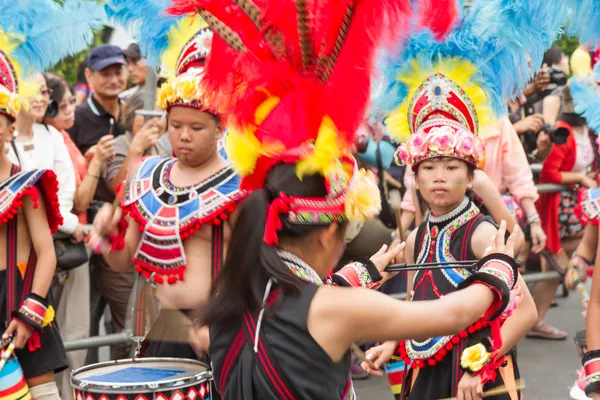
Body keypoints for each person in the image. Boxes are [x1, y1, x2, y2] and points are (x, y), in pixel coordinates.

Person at [166, 1, 522, 399]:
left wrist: (366, 271)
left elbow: (303, 294)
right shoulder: (331, 309)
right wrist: (499, 266)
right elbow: (452, 313)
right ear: (326, 234)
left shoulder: (236, 293)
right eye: (348, 230)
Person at [88, 19, 246, 359]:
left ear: (220, 129)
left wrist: (217, 319)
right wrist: (107, 237)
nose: (184, 135)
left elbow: (252, 269)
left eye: (196, 127)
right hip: (164, 328)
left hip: (222, 327)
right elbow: (125, 261)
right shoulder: (147, 175)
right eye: (175, 125)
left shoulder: (240, 185)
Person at [0, 31, 67, 400]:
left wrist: (30, 310)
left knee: (42, 393)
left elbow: (48, 253)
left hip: (19, 294)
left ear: (11, 128)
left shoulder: (26, 185)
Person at [42, 72, 114, 399]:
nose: (72, 109)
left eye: (73, 101)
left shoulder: (62, 138)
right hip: (66, 243)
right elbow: (76, 201)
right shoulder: (52, 139)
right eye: (64, 103)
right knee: (71, 329)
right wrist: (97, 162)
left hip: (71, 241)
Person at [533, 83, 597, 340]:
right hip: (561, 207)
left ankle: (536, 319)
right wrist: (580, 178)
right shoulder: (564, 130)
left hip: (581, 202)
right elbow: (549, 172)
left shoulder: (588, 131)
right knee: (560, 260)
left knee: (556, 270)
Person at [68, 44, 127, 155]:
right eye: (105, 74)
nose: (114, 80)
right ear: (89, 75)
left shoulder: (132, 113)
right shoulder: (75, 118)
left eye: (118, 73)